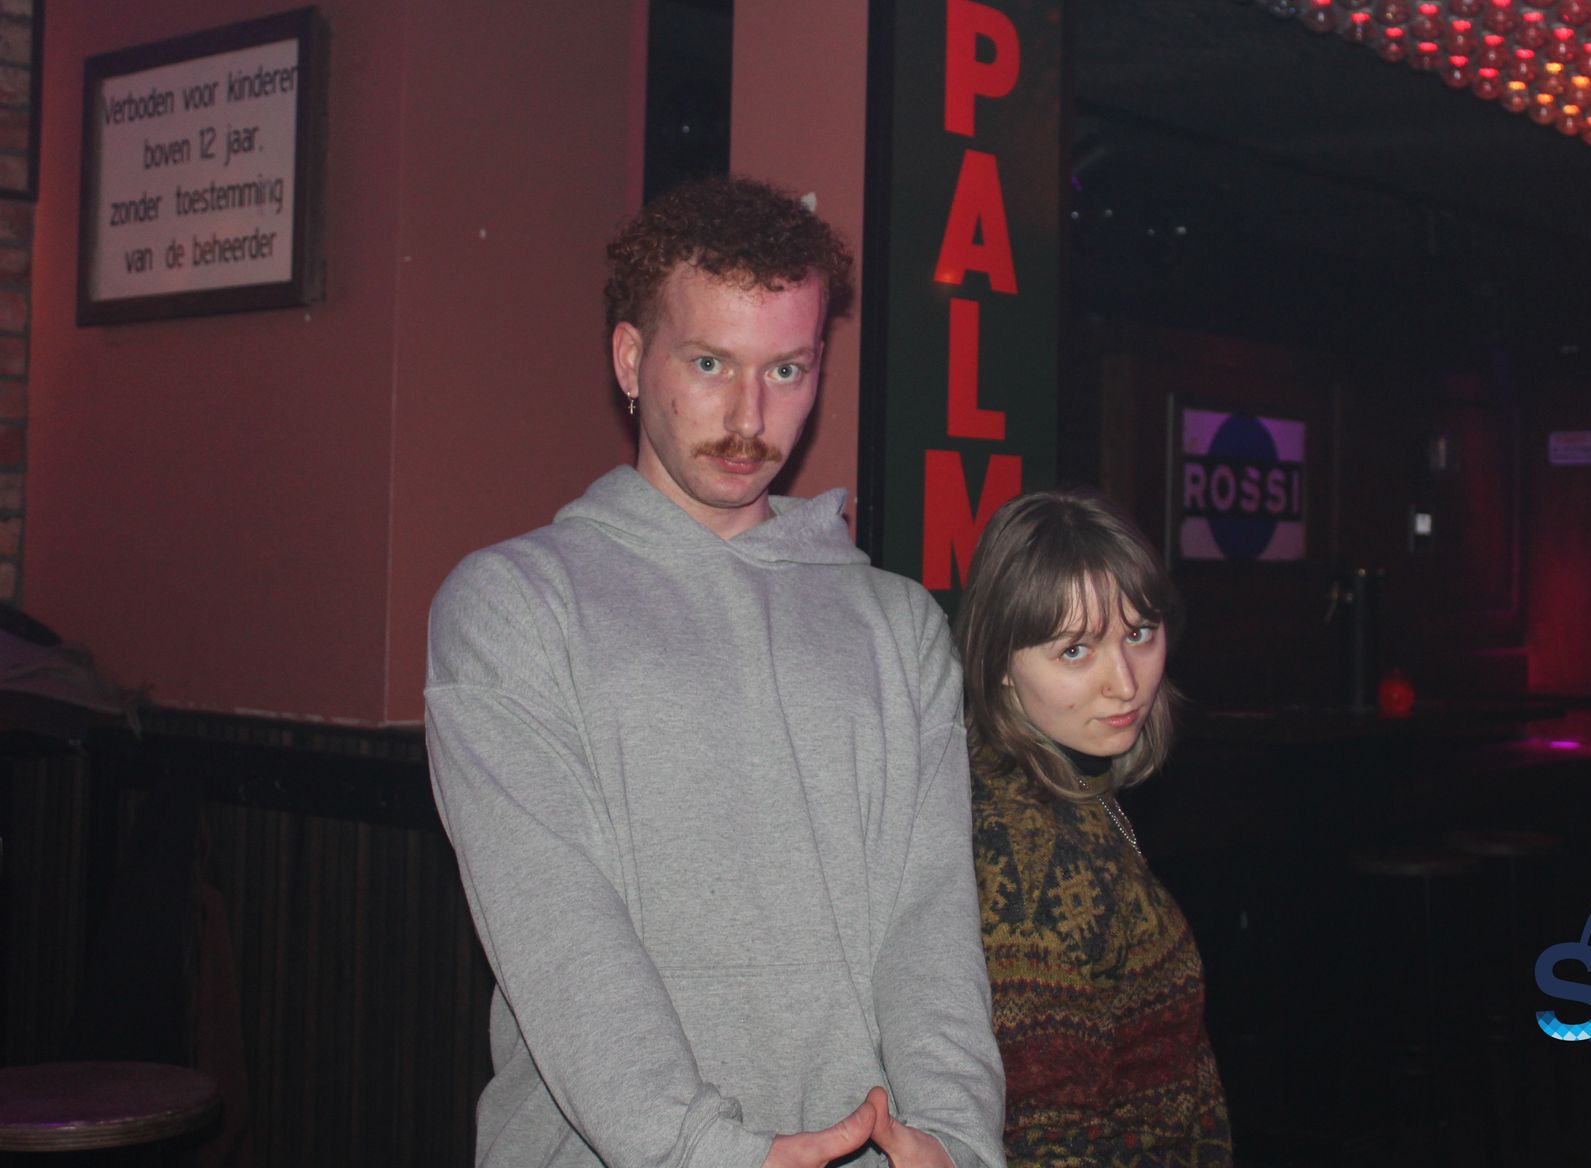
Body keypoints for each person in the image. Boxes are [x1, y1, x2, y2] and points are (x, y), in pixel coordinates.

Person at [424, 177, 1006, 1168]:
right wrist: (704, 1151)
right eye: (709, 363)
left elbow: (931, 921)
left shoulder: (900, 625)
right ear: (630, 358)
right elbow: (561, 932)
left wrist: (954, 1139)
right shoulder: (515, 606)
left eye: (787, 369)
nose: (750, 414)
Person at [954, 490, 1233, 1167]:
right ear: (1001, 663)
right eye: (1076, 650)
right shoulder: (1032, 855)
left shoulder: (1062, 786)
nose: (1125, 683)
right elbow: (1043, 1139)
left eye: (1138, 634)